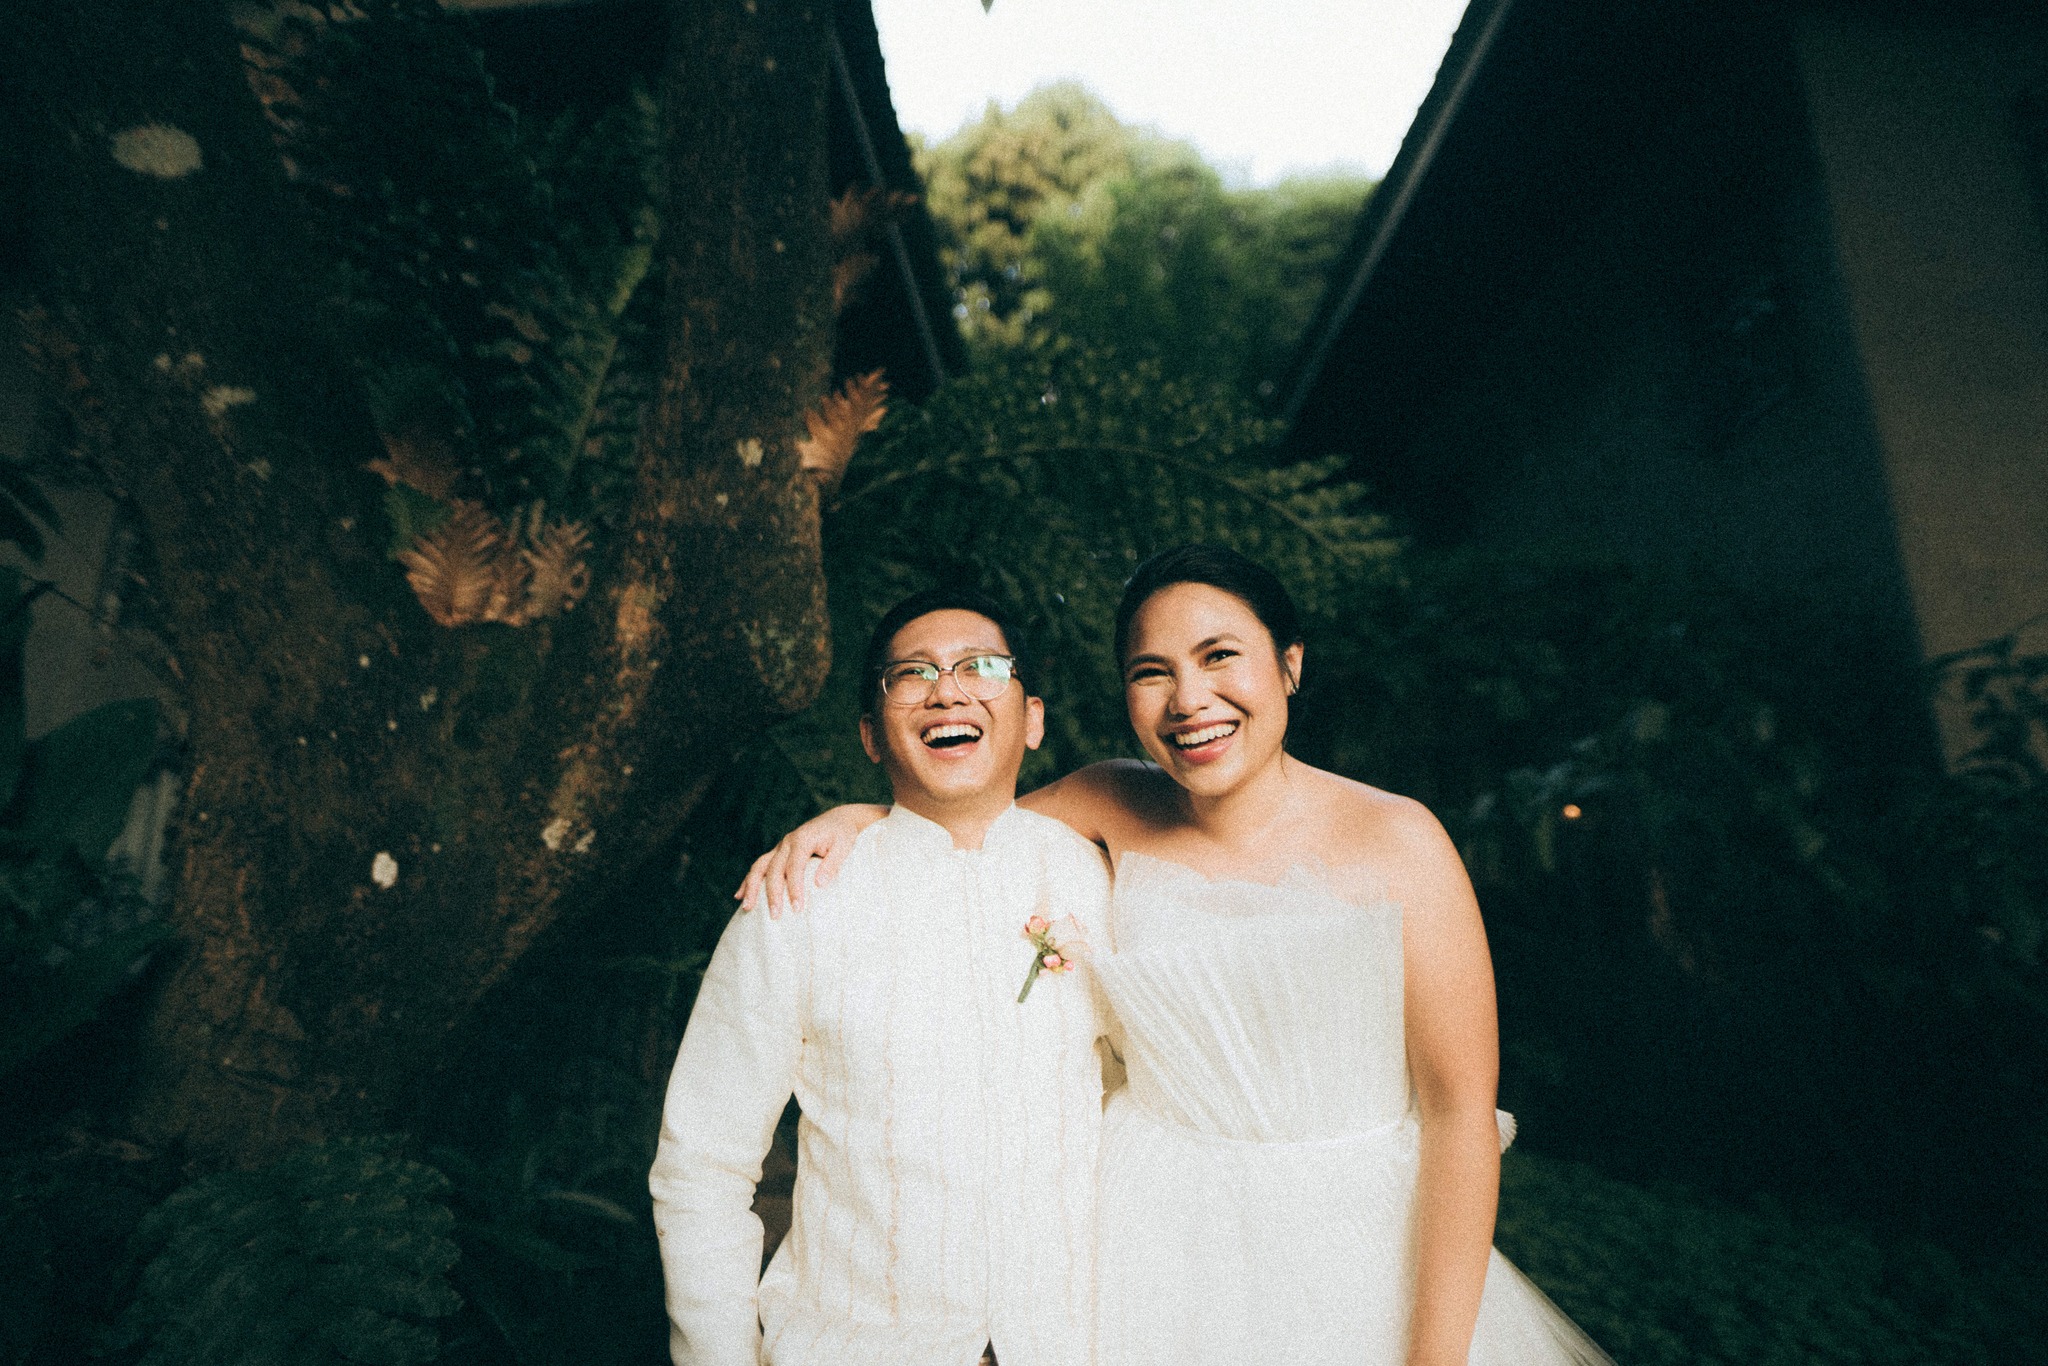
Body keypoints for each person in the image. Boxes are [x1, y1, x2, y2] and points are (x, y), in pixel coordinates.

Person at [740, 546, 1611, 1366]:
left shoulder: (1400, 840)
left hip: (1358, 1245)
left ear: (1290, 665)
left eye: (1220, 656)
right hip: (1150, 1241)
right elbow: (959, 823)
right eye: (1151, 673)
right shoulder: (1107, 800)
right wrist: (856, 821)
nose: (1190, 699)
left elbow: (1461, 1117)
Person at [650, 588, 1113, 1366]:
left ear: (1032, 718)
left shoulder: (1098, 884)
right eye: (913, 674)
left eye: (981, 666)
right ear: (870, 734)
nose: (948, 691)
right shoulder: (799, 896)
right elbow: (703, 1164)